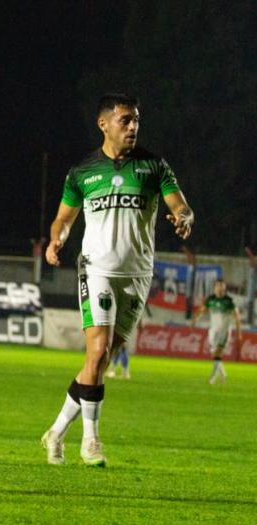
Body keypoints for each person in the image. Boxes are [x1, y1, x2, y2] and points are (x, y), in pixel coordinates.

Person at [40, 93, 194, 466]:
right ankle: (91, 442)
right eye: (125, 120)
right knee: (96, 352)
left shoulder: (153, 166)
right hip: (97, 270)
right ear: (104, 123)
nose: (133, 127)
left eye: (136, 120)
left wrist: (185, 217)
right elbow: (64, 217)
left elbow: (180, 205)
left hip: (138, 275)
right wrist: (57, 237)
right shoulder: (82, 172)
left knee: (101, 362)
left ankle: (56, 432)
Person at [192, 279, 242, 384]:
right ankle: (223, 374)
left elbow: (237, 317)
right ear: (215, 288)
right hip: (213, 331)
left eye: (221, 286)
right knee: (214, 354)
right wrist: (196, 319)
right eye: (218, 286)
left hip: (224, 332)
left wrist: (239, 332)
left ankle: (213, 378)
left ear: (224, 288)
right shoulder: (210, 299)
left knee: (217, 353)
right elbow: (203, 310)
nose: (219, 288)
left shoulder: (229, 301)